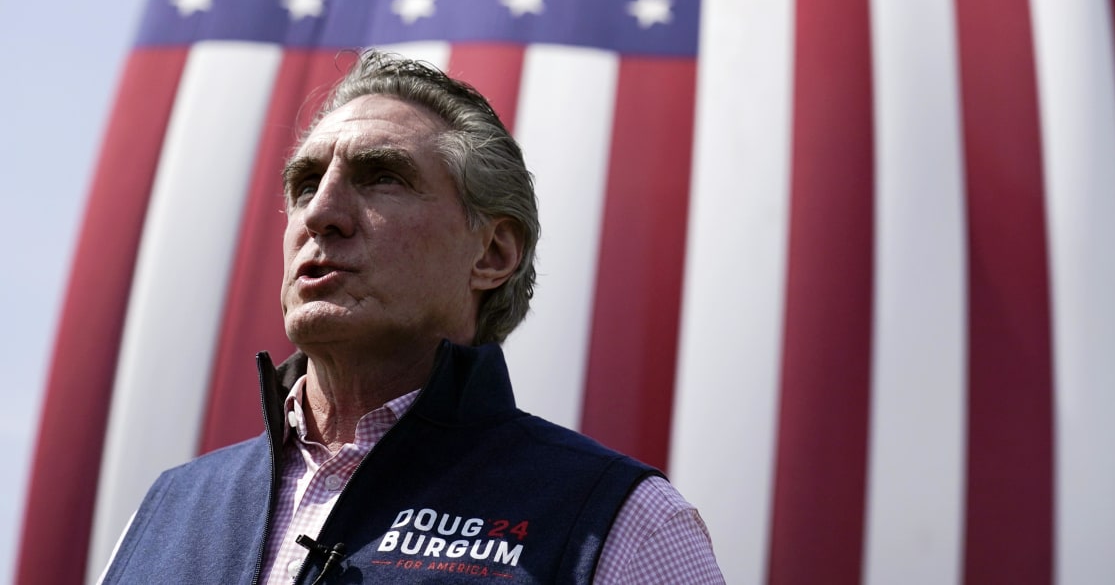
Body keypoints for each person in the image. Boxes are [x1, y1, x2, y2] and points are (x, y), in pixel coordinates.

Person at [98, 50, 725, 584]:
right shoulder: (164, 510)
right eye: (306, 182)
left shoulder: (620, 523)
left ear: (492, 252)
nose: (321, 214)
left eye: (382, 178)